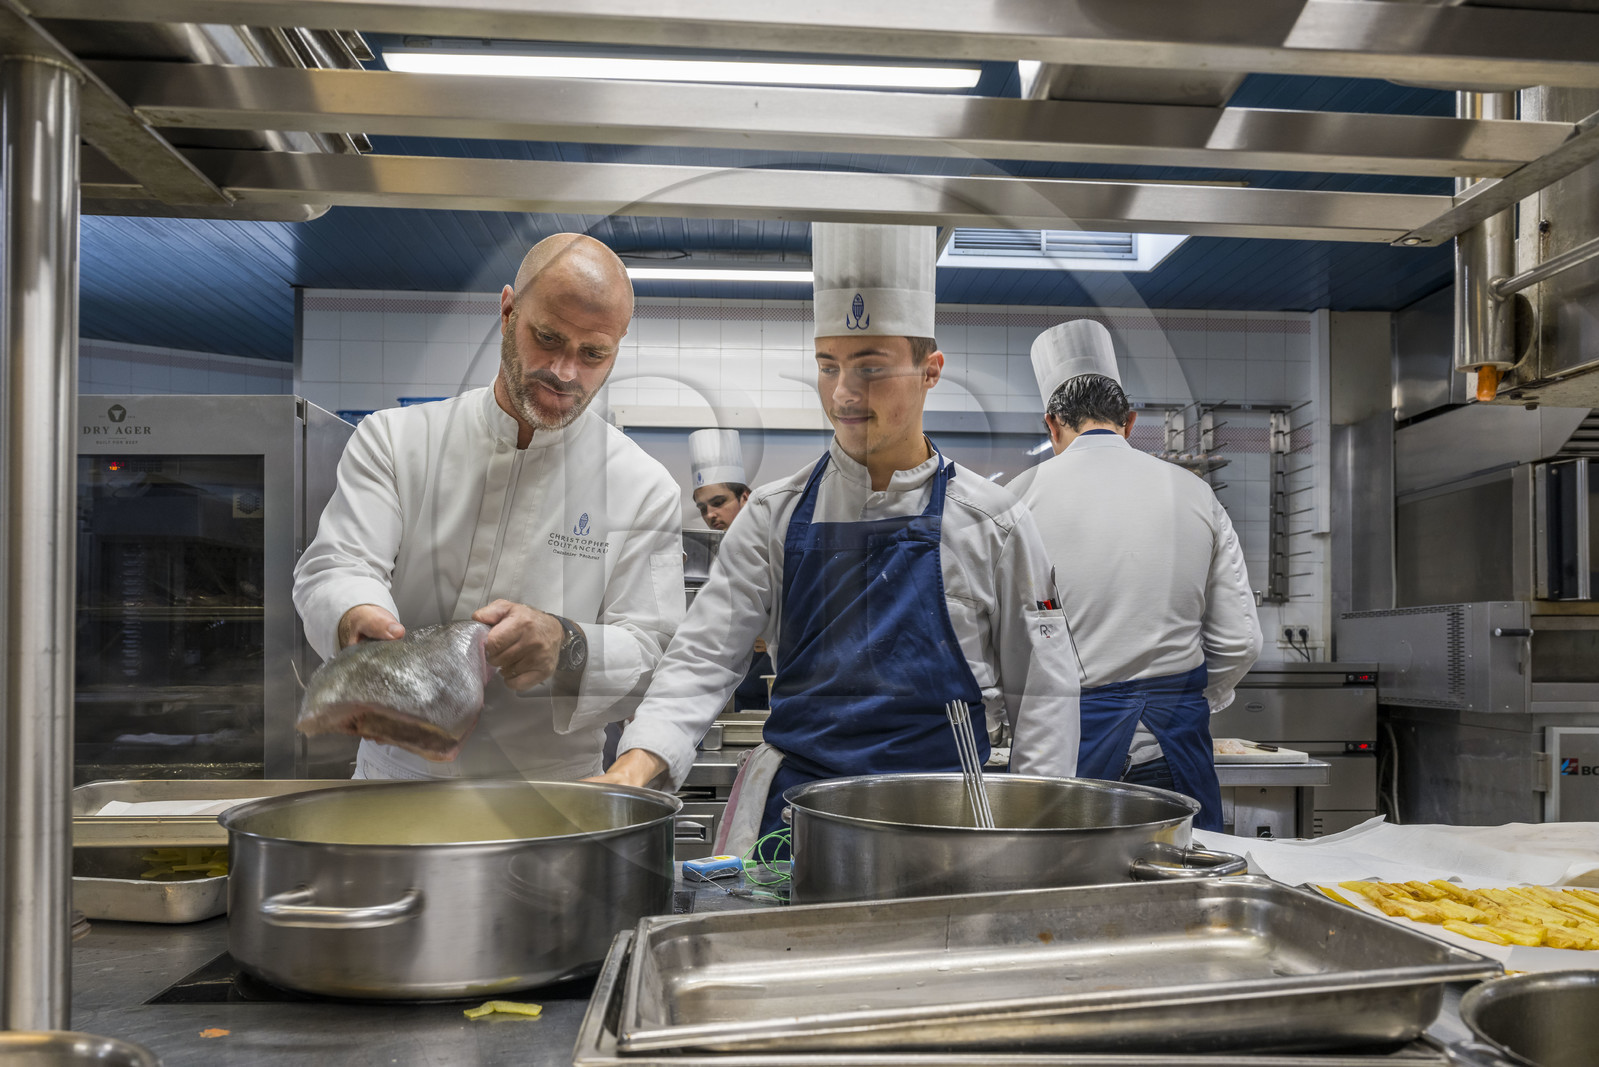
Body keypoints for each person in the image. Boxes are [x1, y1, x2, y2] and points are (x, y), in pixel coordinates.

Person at [594, 223, 1081, 848]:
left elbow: (1043, 694)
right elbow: (704, 656)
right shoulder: (775, 516)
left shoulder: (995, 525)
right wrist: (638, 762)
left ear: (930, 370)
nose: (844, 394)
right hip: (798, 826)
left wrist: (1029, 841)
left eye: (871, 367)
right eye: (828, 367)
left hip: (947, 825)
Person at [293, 233, 686, 780]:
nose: (566, 372)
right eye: (547, 338)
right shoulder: (396, 440)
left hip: (551, 799)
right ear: (507, 311)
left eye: (593, 354)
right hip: (396, 787)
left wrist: (567, 645)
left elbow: (656, 649)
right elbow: (339, 565)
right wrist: (357, 619)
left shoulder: (642, 486)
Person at [1011, 319, 1262, 831]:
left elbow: (999, 643)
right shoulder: (1195, 494)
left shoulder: (1018, 497)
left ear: (1051, 425)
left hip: (1063, 752)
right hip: (1171, 752)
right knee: (1179, 897)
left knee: (1064, 894)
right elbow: (1241, 642)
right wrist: (1179, 701)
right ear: (1129, 421)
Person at [687, 427, 770, 712]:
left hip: (770, 680)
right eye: (702, 508)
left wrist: (771, 632)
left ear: (745, 497)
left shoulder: (777, 542)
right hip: (728, 683)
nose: (710, 515)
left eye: (719, 502)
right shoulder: (710, 554)